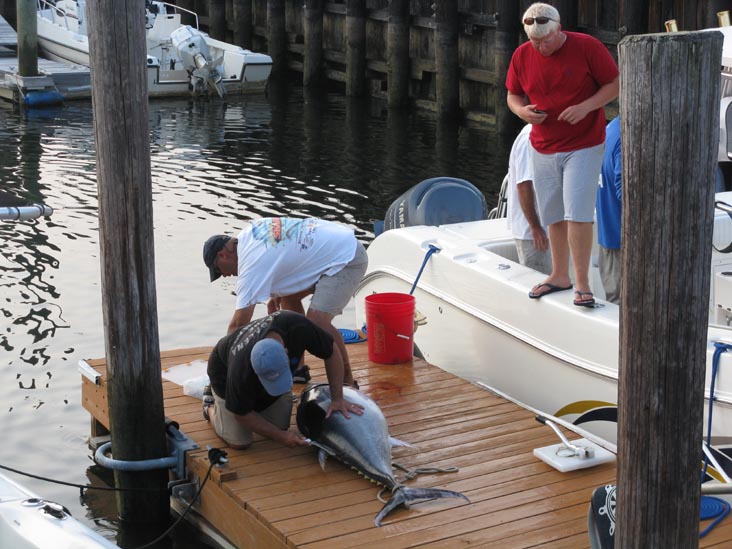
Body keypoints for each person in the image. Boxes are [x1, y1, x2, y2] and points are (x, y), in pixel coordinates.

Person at [506, 2, 619, 307]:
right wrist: (522, 112)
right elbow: (513, 94)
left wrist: (587, 106)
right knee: (553, 212)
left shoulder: (587, 47)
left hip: (584, 143)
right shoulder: (522, 55)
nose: (541, 47)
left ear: (559, 29)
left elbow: (614, 83)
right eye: (535, 41)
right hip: (543, 144)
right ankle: (559, 275)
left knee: (578, 212)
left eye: (546, 40)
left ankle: (582, 285)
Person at [203, 217, 367, 384]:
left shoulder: (250, 265)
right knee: (287, 300)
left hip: (347, 259)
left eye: (218, 270)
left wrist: (221, 370)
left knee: (318, 322)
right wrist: (278, 293)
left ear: (222, 255)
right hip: (333, 248)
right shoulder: (250, 233)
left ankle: (347, 380)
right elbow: (285, 248)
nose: (223, 275)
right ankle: (298, 368)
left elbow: (237, 326)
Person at [203, 310, 364, 449]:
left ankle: (260, 405)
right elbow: (241, 414)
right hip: (222, 375)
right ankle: (210, 406)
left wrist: (337, 398)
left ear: (286, 352)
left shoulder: (296, 325)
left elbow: (332, 351)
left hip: (251, 375)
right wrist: (280, 436)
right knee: (240, 443)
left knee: (280, 426)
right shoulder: (239, 370)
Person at [507, 124, 551, 274]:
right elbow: (524, 185)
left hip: (546, 229)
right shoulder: (529, 139)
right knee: (538, 281)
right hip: (533, 234)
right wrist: (535, 227)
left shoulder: (543, 135)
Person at [596, 116, 622, 304]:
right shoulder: (627, 137)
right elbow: (626, 193)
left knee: (615, 304)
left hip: (608, 238)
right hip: (623, 247)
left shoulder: (611, 128)